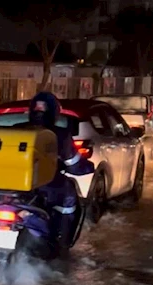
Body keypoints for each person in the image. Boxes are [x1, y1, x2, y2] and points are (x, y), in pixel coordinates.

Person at [26, 91, 93, 255]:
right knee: (69, 199)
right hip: (48, 187)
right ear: (54, 113)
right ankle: (60, 243)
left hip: (11, 188)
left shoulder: (16, 130)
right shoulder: (60, 135)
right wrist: (88, 167)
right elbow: (74, 165)